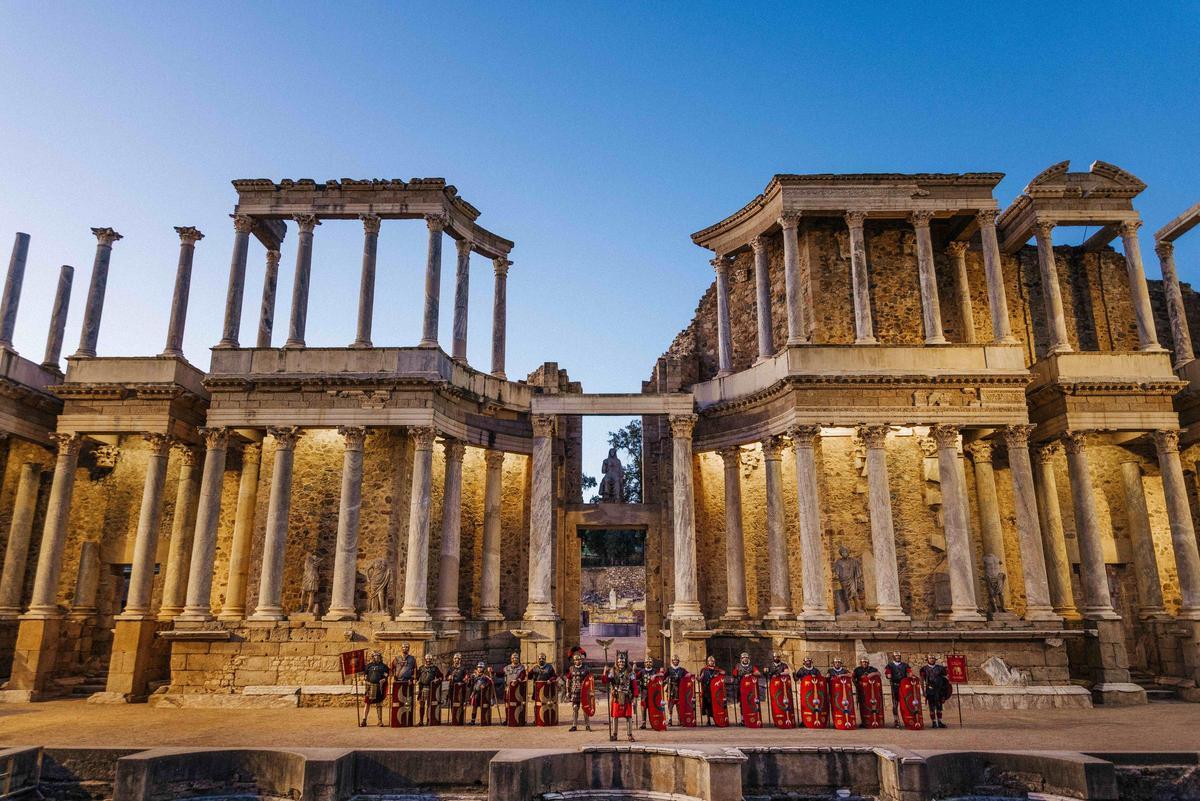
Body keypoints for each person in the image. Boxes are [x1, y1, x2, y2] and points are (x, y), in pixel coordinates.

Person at [604, 651, 638, 741]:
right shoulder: (613, 671)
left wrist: (635, 697)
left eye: (622, 662)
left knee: (629, 716)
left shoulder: (630, 672)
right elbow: (605, 681)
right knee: (615, 716)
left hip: (627, 697)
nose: (621, 663)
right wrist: (605, 672)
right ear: (617, 662)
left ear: (625, 662)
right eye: (619, 662)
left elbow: (634, 685)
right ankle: (614, 734)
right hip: (616, 697)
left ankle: (630, 735)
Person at [920, 653, 951, 728]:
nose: (932, 660)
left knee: (939, 707)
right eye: (930, 658)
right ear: (928, 660)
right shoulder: (924, 669)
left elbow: (946, 677)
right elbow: (922, 680)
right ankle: (934, 722)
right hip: (930, 690)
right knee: (932, 707)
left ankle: (939, 722)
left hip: (939, 690)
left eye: (933, 658)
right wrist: (923, 691)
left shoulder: (940, 668)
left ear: (935, 660)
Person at [360, 650, 390, 727]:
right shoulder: (368, 666)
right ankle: (364, 720)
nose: (376, 657)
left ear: (380, 657)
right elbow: (365, 676)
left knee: (379, 704)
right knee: (367, 703)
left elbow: (386, 676)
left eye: (378, 656)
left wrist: (384, 680)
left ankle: (380, 721)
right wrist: (366, 681)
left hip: (378, 687)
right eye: (375, 656)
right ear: (372, 657)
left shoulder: (384, 667)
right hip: (369, 687)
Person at [565, 650, 593, 732]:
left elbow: (590, 680)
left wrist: (590, 691)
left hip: (584, 692)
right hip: (575, 691)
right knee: (575, 708)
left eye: (579, 659)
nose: (578, 661)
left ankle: (587, 725)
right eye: (576, 660)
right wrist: (568, 691)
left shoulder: (586, 669)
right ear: (574, 661)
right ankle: (574, 725)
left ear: (581, 659)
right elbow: (568, 680)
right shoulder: (571, 669)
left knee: (585, 708)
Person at [884, 651, 911, 729]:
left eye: (899, 656)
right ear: (893, 657)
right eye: (896, 656)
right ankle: (896, 720)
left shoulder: (905, 665)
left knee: (906, 703)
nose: (898, 657)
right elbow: (888, 674)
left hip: (904, 686)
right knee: (895, 704)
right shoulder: (889, 665)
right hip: (895, 686)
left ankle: (908, 720)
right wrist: (888, 675)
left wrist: (910, 676)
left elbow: (909, 673)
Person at [852, 656, 881, 728]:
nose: (864, 663)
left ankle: (872, 720)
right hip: (861, 690)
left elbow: (879, 673)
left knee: (871, 705)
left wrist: (873, 674)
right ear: (861, 663)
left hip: (870, 691)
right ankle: (864, 722)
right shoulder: (857, 669)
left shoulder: (872, 669)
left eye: (866, 662)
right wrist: (857, 685)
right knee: (862, 706)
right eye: (863, 662)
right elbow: (853, 677)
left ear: (868, 663)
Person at [415, 654, 442, 725]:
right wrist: (415, 679)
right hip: (422, 688)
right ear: (425, 660)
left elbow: (441, 677)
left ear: (431, 660)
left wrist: (437, 680)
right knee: (422, 705)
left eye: (430, 659)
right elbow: (417, 677)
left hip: (431, 688)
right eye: (427, 659)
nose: (428, 661)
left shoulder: (434, 668)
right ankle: (421, 721)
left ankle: (428, 720)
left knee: (429, 705)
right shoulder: (421, 668)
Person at [503, 652, 528, 726]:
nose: (515, 659)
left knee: (520, 704)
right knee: (507, 704)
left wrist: (517, 681)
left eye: (516, 658)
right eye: (514, 658)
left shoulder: (522, 668)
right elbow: (501, 674)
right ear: (511, 659)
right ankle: (508, 719)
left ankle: (520, 719)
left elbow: (522, 676)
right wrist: (492, 672)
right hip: (508, 688)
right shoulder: (506, 668)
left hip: (518, 690)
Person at [445, 652, 470, 725]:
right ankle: (454, 719)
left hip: (460, 689)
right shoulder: (451, 668)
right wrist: (448, 677)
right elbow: (446, 677)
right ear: (453, 659)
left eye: (458, 659)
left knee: (460, 703)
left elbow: (466, 676)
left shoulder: (463, 668)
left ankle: (460, 719)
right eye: (455, 658)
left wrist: (466, 678)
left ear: (460, 660)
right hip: (452, 688)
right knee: (452, 703)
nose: (457, 660)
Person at [698, 655, 723, 726]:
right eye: (709, 661)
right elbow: (701, 679)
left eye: (712, 661)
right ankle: (708, 720)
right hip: (706, 689)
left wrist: (718, 674)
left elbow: (723, 673)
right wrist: (698, 679)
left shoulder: (717, 669)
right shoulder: (704, 670)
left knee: (714, 704)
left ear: (714, 662)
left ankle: (716, 719)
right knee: (707, 705)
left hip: (715, 690)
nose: (711, 662)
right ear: (708, 662)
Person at [635, 656, 658, 729]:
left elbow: (661, 675)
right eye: (647, 662)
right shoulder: (642, 671)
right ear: (644, 663)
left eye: (650, 662)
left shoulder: (655, 671)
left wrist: (656, 675)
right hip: (644, 691)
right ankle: (643, 723)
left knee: (652, 707)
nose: (648, 663)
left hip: (653, 692)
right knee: (643, 707)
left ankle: (654, 723)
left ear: (652, 663)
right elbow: (635, 677)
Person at [665, 655, 688, 725]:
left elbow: (688, 674)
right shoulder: (669, 669)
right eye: (674, 660)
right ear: (672, 661)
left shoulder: (682, 670)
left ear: (678, 661)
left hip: (679, 689)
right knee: (670, 705)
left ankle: (679, 720)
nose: (675, 661)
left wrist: (690, 675)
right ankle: (670, 719)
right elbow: (663, 677)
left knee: (679, 705)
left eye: (677, 660)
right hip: (671, 689)